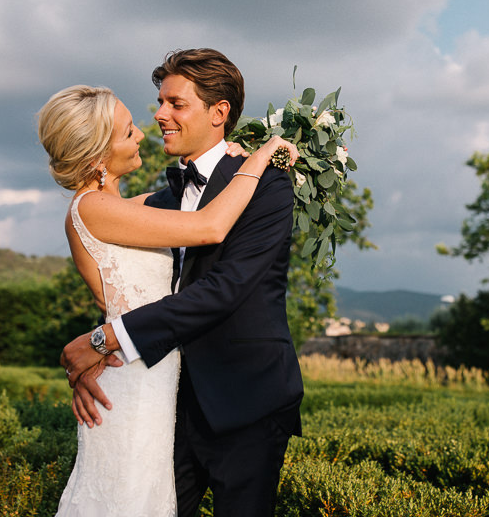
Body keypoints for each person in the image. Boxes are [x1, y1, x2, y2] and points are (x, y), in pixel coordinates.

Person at [60, 48, 305, 517]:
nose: (160, 115)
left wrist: (105, 340)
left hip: (246, 398)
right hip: (164, 403)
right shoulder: (164, 197)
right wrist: (102, 351)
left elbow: (225, 290)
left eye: (176, 103)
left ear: (219, 113)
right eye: (160, 101)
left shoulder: (268, 184)